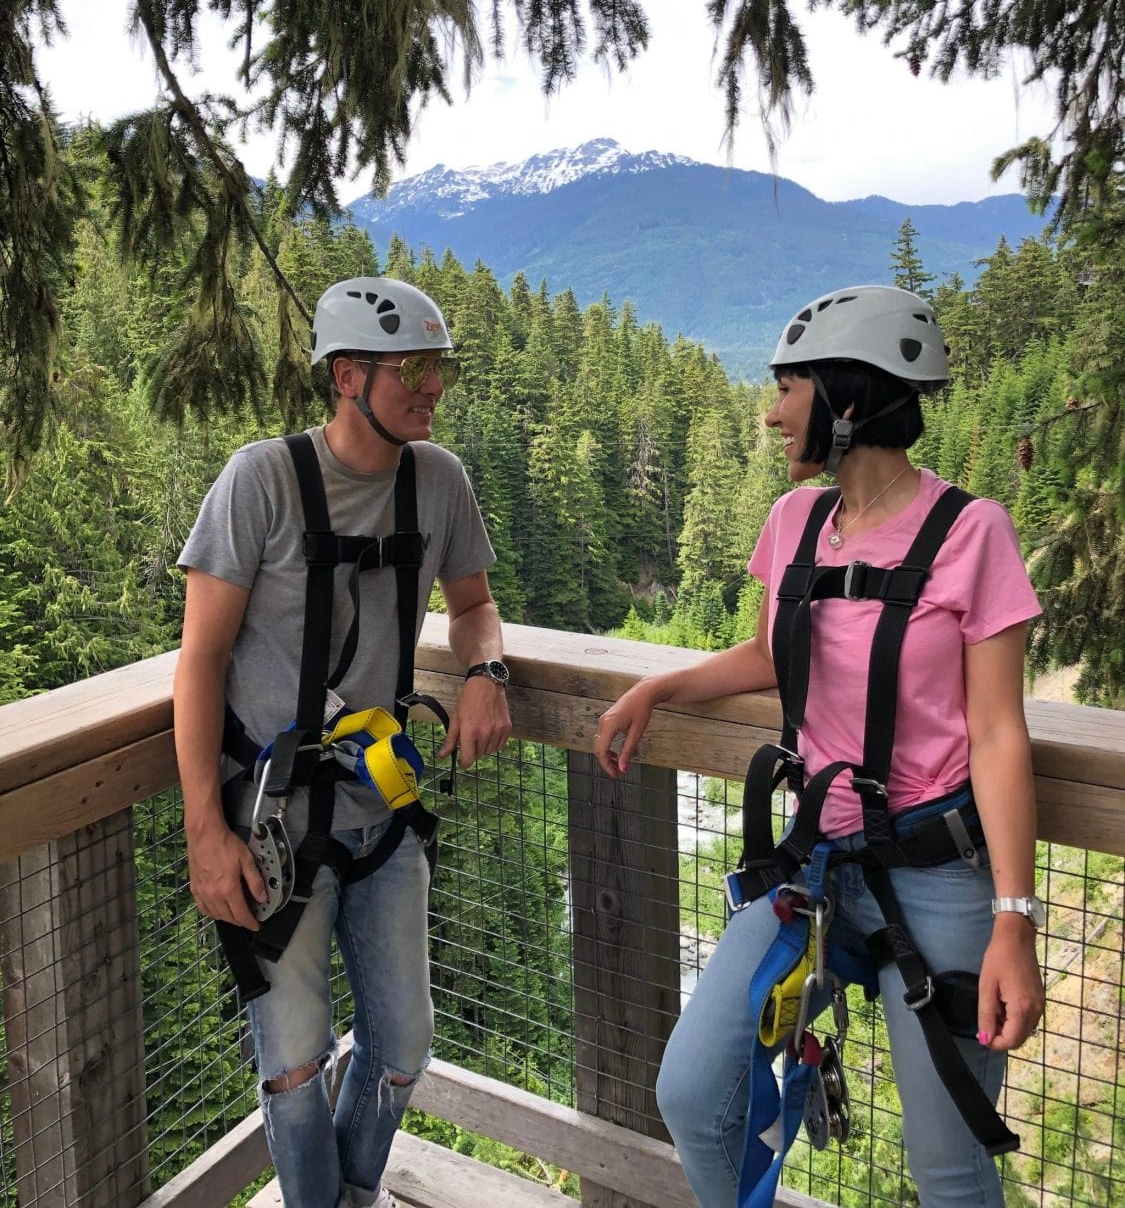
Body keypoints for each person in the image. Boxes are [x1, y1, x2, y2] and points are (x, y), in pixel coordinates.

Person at [593, 284, 1045, 1208]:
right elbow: (773, 652)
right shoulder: (794, 521)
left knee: (949, 1168)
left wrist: (1014, 917)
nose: (770, 412)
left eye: (787, 388)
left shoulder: (971, 533)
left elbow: (998, 731)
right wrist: (659, 685)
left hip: (939, 875)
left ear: (846, 398)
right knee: (690, 1092)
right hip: (814, 868)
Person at [173, 276, 511, 1208]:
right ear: (347, 374)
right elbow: (199, 660)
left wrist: (484, 673)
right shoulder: (262, 480)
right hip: (268, 819)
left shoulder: (437, 481)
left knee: (401, 1044)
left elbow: (474, 608)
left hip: (383, 807)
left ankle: (347, 1196)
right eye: (414, 369)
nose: (433, 387)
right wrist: (207, 832)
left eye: (437, 368)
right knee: (290, 1060)